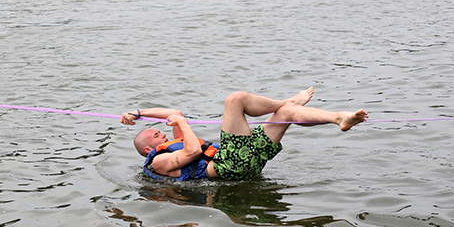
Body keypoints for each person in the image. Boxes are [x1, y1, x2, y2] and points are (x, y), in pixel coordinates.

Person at [122, 88, 368, 181]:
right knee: (235, 99)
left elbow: (173, 112)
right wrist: (181, 122)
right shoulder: (158, 161)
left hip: (246, 162)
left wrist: (138, 111)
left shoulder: (174, 140)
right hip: (229, 166)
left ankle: (339, 119)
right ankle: (286, 100)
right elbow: (194, 151)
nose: (162, 135)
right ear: (147, 149)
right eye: (156, 135)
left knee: (288, 112)